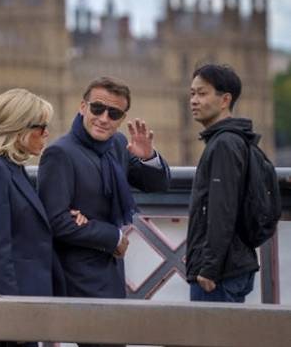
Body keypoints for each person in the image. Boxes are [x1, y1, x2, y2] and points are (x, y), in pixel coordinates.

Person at [37, 76, 170, 342]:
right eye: (97, 108)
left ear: (122, 118)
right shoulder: (60, 154)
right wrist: (114, 237)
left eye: (114, 113)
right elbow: (55, 221)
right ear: (82, 107)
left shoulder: (118, 145)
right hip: (78, 276)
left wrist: (147, 158)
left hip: (111, 272)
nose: (104, 118)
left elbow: (157, 184)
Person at [0, 89, 79, 347]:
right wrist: (13, 310)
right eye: (41, 128)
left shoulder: (14, 169)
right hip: (11, 302)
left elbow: (26, 221)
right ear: (20, 130)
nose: (47, 133)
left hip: (28, 295)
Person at [186, 64, 259, 303]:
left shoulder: (225, 144)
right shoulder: (232, 139)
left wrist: (209, 267)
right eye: (192, 94)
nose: (194, 101)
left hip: (219, 275)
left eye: (202, 93)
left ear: (225, 99)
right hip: (231, 266)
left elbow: (222, 211)